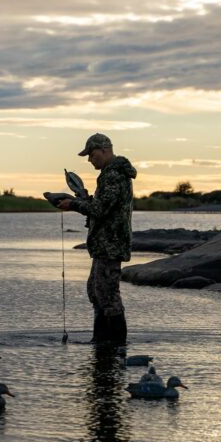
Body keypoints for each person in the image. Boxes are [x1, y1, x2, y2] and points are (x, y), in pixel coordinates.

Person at [58, 133, 136, 347]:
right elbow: (102, 206)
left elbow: (100, 210)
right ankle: (100, 341)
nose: (90, 160)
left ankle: (116, 346)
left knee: (107, 294)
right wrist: (82, 200)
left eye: (92, 155)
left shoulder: (114, 175)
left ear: (104, 150)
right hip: (104, 244)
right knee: (96, 290)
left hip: (110, 244)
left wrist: (72, 205)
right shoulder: (110, 174)